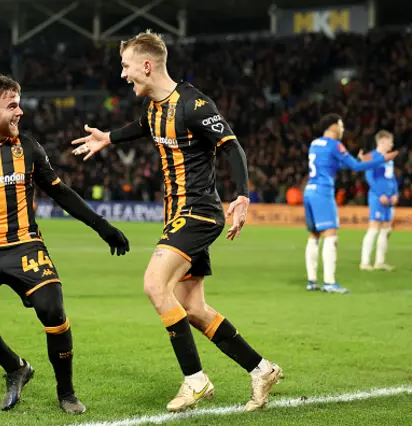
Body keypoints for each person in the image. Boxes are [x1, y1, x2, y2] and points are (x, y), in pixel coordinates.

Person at [71, 30, 281, 413]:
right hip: (177, 216)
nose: (123, 75)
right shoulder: (154, 107)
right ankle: (262, 368)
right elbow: (142, 128)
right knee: (194, 308)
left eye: (127, 67)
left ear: (147, 66)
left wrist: (242, 195)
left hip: (198, 212)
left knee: (154, 284)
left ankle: (196, 381)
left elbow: (232, 146)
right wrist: (109, 138)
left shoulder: (195, 104)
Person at [0, 73, 129, 414]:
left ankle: (66, 392)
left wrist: (102, 226)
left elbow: (60, 192)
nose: (20, 112)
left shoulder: (27, 147)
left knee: (52, 308)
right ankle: (15, 366)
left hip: (24, 245)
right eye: (12, 106)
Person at [303, 114, 398, 293]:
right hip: (323, 191)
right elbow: (355, 167)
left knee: (314, 235)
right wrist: (381, 159)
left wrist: (358, 160)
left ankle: (312, 280)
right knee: (331, 236)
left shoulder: (315, 143)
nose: (343, 129)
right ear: (332, 127)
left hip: (309, 191)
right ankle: (330, 282)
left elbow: (335, 165)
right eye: (341, 126)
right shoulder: (335, 144)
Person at [360, 130, 398, 271]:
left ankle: (380, 262)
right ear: (382, 142)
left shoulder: (388, 159)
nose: (392, 144)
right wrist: (380, 193)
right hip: (377, 197)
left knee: (386, 230)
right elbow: (370, 178)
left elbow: (392, 178)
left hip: (389, 198)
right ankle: (364, 262)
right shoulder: (372, 157)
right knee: (374, 229)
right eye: (390, 142)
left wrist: (395, 193)